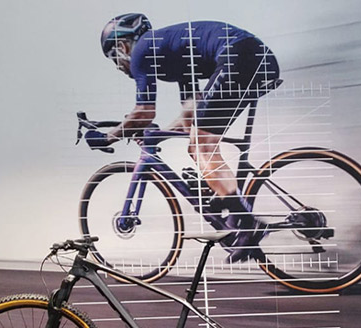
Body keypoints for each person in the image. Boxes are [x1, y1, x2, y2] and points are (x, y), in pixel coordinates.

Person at [90, 13, 281, 262]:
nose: (118, 66)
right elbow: (190, 115)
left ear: (123, 46)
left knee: (202, 148)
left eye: (114, 57)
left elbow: (144, 112)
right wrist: (155, 135)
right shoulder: (170, 55)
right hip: (255, 57)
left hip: (239, 56)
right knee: (198, 143)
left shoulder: (142, 51)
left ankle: (247, 224)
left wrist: (107, 138)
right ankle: (231, 206)